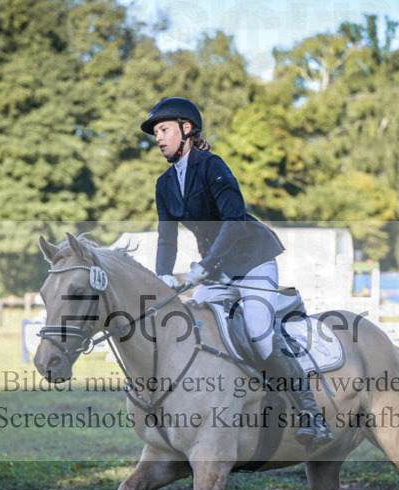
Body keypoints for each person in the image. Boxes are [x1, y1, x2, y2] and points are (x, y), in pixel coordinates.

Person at [140, 97, 333, 451]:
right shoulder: (164, 184)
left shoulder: (213, 166)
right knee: (189, 328)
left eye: (164, 129)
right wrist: (162, 275)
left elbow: (234, 220)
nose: (158, 137)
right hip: (216, 272)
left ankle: (311, 414)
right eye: (155, 132)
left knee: (259, 333)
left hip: (252, 261)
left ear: (186, 129)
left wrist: (206, 266)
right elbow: (166, 237)